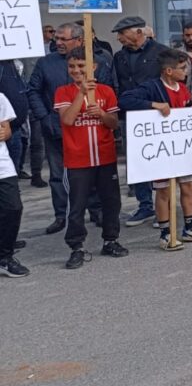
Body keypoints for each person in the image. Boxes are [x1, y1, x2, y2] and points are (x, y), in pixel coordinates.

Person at [120, 49, 192, 250]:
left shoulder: (182, 88)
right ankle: (165, 233)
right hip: (162, 150)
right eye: (182, 68)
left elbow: (185, 106)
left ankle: (190, 227)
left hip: (182, 148)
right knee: (163, 191)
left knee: (188, 186)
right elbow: (125, 100)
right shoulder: (152, 87)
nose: (186, 72)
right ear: (168, 71)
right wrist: (153, 104)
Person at [29, 23, 116, 234]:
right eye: (56, 38)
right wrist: (44, 117)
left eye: (62, 39)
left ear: (79, 40)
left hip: (90, 132)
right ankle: (62, 215)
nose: (57, 42)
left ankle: (96, 211)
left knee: (92, 173)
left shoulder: (98, 60)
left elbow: (106, 91)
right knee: (59, 175)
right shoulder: (45, 63)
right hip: (55, 126)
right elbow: (33, 90)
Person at [54, 48, 126, 267]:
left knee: (111, 201)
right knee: (77, 204)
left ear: (93, 67)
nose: (76, 70)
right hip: (78, 158)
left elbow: (114, 123)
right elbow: (67, 119)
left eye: (81, 66)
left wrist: (102, 115)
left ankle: (110, 239)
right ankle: (77, 246)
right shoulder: (63, 91)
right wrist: (81, 94)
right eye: (72, 66)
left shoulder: (105, 91)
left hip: (104, 156)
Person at [0, 89, 29, 278]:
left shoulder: (0, 97)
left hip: (2, 166)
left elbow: (7, 130)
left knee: (13, 208)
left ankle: (5, 257)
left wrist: (5, 133)